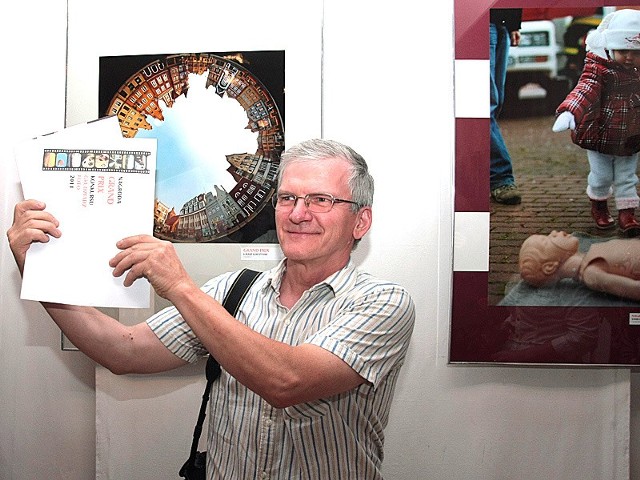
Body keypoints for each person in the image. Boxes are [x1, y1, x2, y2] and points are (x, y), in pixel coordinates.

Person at [7, 139, 416, 480]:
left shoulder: (383, 304)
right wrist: (41, 270)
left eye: (320, 200)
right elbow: (124, 349)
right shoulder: (232, 290)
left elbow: (286, 382)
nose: (297, 213)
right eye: (287, 197)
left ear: (360, 222)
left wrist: (181, 287)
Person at [553, 9, 640, 236]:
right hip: (599, 130)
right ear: (610, 46)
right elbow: (585, 88)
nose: (629, 57)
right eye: (623, 51)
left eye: (635, 52)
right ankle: (599, 205)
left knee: (627, 176)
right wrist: (570, 112)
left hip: (630, 132)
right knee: (601, 175)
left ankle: (627, 213)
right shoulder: (598, 68)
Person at [518, 230, 640, 301]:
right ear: (549, 267)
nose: (554, 232)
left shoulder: (587, 260)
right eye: (547, 240)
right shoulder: (590, 274)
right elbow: (633, 289)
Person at [489, 8, 523, 205]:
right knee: (485, 108)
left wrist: (512, 24)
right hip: (483, 20)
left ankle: (490, 175)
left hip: (500, 23)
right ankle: (500, 178)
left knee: (493, 105)